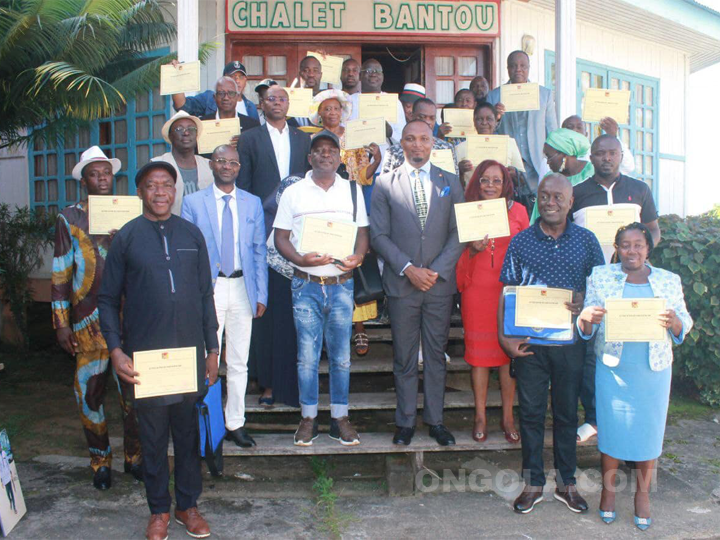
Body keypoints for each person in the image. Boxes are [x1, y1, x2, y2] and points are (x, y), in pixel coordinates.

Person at [98, 161, 219, 540]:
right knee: (151, 439)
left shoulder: (192, 235)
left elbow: (204, 295)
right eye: (152, 186)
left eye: (167, 185)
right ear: (140, 192)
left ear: (175, 191)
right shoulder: (127, 238)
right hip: (145, 358)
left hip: (188, 355)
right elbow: (106, 299)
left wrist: (212, 349)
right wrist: (116, 351)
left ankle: (187, 505)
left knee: (186, 436)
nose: (161, 192)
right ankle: (158, 510)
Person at [498, 173, 604, 515]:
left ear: (571, 201)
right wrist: (505, 338)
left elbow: (601, 290)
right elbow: (506, 292)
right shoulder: (520, 242)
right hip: (529, 344)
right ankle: (532, 483)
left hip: (570, 344)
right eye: (544, 196)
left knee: (565, 414)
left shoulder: (587, 241)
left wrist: (584, 298)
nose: (550, 202)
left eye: (558, 196)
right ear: (537, 200)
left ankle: (566, 484)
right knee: (529, 413)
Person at [578, 223, 692, 530]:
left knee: (648, 433)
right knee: (613, 431)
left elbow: (685, 321)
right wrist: (586, 318)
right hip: (614, 367)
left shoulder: (668, 280)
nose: (632, 251)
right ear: (617, 248)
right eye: (625, 245)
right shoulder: (601, 276)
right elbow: (587, 324)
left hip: (652, 370)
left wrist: (675, 322)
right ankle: (608, 493)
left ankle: (643, 496)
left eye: (638, 245)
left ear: (648, 248)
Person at [51, 146, 142, 490]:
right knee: (90, 395)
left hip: (129, 320)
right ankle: (100, 462)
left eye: (106, 172)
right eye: (95, 173)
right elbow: (60, 273)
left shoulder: (131, 213)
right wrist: (60, 323)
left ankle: (135, 458)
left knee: (134, 395)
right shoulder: (69, 218)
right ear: (84, 180)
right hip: (86, 322)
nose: (102, 178)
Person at [371, 120, 465, 447]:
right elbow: (378, 236)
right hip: (402, 285)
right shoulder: (384, 184)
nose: (417, 145)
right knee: (405, 356)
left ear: (433, 143)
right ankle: (406, 422)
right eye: (410, 139)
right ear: (402, 143)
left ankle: (436, 421)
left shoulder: (450, 182)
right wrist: (409, 268)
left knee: (436, 356)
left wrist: (435, 271)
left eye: (424, 139)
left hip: (438, 286)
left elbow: (458, 234)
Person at [274, 130, 369, 446]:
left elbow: (363, 233)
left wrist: (358, 256)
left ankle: (340, 417)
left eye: (331, 149)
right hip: (306, 284)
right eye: (319, 150)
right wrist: (301, 259)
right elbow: (281, 238)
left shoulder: (353, 191)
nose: (325, 154)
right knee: (307, 357)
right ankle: (309, 418)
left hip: (342, 285)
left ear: (339, 157)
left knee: (342, 357)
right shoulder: (294, 192)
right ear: (310, 157)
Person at [571, 134, 662, 444]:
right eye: (599, 154)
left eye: (612, 153)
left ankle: (631, 416)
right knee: (590, 353)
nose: (606, 158)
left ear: (621, 155)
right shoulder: (578, 193)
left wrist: (637, 256)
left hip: (630, 282)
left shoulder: (639, 189)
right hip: (591, 282)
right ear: (591, 157)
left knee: (630, 351)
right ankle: (594, 418)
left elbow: (653, 230)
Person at [181, 145, 268, 449]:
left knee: (239, 361)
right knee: (207, 359)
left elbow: (259, 250)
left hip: (243, 287)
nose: (227, 166)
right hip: (210, 289)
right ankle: (206, 424)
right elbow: (187, 252)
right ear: (212, 165)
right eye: (221, 161)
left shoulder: (252, 203)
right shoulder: (193, 202)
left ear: (239, 167)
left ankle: (235, 423)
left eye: (233, 162)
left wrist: (262, 293)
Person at [237, 85, 311, 407]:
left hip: (298, 234)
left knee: (294, 313)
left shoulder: (303, 139)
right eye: (270, 99)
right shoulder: (249, 139)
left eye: (281, 99)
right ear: (261, 105)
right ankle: (267, 384)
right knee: (267, 311)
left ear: (288, 104)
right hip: (262, 234)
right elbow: (244, 186)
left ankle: (292, 385)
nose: (276, 103)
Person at [456, 160, 528, 444]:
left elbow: (527, 249)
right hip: (476, 290)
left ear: (505, 184)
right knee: (480, 357)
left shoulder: (519, 211)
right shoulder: (467, 210)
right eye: (485, 179)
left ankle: (508, 416)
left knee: (507, 355)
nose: (490, 185)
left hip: (508, 290)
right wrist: (472, 250)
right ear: (477, 181)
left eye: (496, 180)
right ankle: (480, 415)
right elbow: (455, 254)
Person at [310, 89, 382, 356]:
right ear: (319, 113)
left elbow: (362, 176)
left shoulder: (354, 138)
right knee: (327, 266)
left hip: (350, 208)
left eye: (335, 109)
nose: (331, 113)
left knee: (353, 266)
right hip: (321, 210)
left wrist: (377, 160)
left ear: (342, 111)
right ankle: (329, 332)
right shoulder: (314, 140)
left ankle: (360, 328)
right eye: (326, 109)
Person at [487, 50, 558, 191]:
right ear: (507, 69)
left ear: (529, 68)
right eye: (513, 66)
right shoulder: (494, 96)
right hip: (508, 167)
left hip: (537, 165)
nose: (518, 69)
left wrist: (551, 163)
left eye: (523, 66)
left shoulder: (544, 95)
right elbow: (488, 135)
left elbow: (552, 131)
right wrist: (497, 118)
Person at [151, 111, 212, 215]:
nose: (186, 133)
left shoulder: (209, 166)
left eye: (191, 129)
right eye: (179, 129)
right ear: (170, 136)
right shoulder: (158, 165)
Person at [528, 128, 595, 223]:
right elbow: (537, 216)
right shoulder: (549, 179)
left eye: (549, 156)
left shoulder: (592, 173)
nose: (547, 162)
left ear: (564, 154)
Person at [381, 98, 459, 176]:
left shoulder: (446, 148)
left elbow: (454, 182)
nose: (428, 121)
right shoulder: (394, 151)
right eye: (422, 117)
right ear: (412, 116)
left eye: (432, 118)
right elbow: (385, 185)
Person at [455, 102, 525, 180]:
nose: (484, 123)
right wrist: (459, 170)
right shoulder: (461, 147)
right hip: (472, 191)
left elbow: (522, 179)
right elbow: (452, 180)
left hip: (503, 191)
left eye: (489, 119)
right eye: (479, 119)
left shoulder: (509, 143)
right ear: (474, 122)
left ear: (496, 121)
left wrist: (515, 173)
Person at [170, 60, 259, 120]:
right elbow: (182, 106)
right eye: (232, 76)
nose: (237, 80)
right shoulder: (209, 98)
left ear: (245, 80)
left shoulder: (251, 107)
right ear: (224, 79)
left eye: (241, 77)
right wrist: (176, 76)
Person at [348, 59, 406, 143]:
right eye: (368, 71)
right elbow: (342, 132)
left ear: (382, 76)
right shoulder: (349, 101)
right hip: (356, 154)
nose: (373, 74)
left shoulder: (393, 102)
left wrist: (391, 133)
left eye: (378, 71)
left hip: (385, 154)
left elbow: (404, 136)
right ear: (360, 76)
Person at [562, 115, 636, 175]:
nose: (575, 131)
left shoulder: (595, 153)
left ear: (586, 134)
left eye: (579, 128)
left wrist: (613, 137)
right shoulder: (554, 154)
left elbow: (628, 167)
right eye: (570, 127)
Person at [198, 76, 260, 145]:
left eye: (231, 93)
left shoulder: (252, 126)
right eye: (221, 93)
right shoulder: (202, 124)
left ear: (237, 97)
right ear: (214, 97)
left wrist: (243, 144)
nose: (226, 98)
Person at [0, 449, 15, 514]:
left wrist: (10, 471)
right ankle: (10, 501)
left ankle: (14, 507)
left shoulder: (4, 453)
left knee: (11, 490)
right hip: (3, 476)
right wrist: (1, 479)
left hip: (7, 473)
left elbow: (7, 462)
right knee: (7, 492)